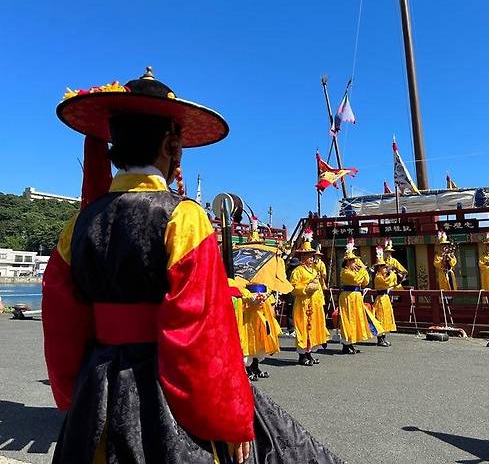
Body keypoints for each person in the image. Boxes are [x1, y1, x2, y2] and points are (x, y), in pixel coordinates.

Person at [43, 68, 343, 463]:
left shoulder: (78, 224)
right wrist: (230, 418)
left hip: (96, 392)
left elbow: (61, 325)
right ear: (170, 146)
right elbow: (200, 333)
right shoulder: (183, 217)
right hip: (161, 393)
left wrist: (75, 394)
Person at [289, 229, 329, 365]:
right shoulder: (297, 271)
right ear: (303, 257)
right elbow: (293, 287)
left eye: (313, 256)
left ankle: (309, 353)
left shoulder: (314, 270)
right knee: (303, 327)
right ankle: (302, 356)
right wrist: (306, 289)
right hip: (303, 304)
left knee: (313, 327)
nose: (312, 259)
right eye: (310, 256)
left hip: (314, 303)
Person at [338, 241, 377, 354]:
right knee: (348, 320)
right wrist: (363, 269)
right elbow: (355, 280)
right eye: (353, 261)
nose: (355, 263)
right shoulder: (345, 272)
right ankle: (346, 344)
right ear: (347, 262)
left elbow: (365, 282)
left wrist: (363, 270)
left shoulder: (355, 271)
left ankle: (351, 343)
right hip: (348, 297)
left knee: (355, 319)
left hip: (356, 297)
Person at [242, 283, 282, 380]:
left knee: (260, 343)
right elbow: (242, 298)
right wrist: (251, 298)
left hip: (262, 317)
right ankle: (248, 369)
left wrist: (266, 296)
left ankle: (255, 367)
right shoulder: (242, 284)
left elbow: (269, 301)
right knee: (249, 343)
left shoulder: (264, 278)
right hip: (249, 318)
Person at [372, 246, 397, 346]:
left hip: (385, 298)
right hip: (380, 299)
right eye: (383, 267)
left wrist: (390, 273)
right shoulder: (378, 277)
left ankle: (383, 337)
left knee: (386, 318)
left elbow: (392, 283)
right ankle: (380, 339)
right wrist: (391, 273)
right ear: (379, 268)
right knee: (380, 319)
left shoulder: (383, 276)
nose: (385, 269)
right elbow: (388, 282)